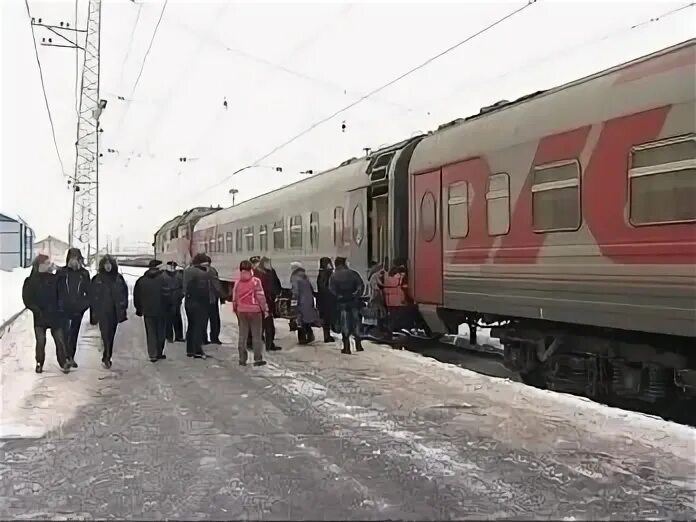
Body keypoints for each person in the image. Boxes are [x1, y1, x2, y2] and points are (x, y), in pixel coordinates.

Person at [22, 255, 71, 374]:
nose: (49, 265)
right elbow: (27, 299)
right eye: (47, 263)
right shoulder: (31, 281)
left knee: (59, 340)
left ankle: (63, 362)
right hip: (40, 317)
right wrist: (36, 310)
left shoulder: (55, 278)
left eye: (50, 263)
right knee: (40, 341)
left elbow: (63, 286)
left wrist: (60, 308)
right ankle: (39, 362)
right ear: (40, 265)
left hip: (55, 316)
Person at [89, 255, 129, 369]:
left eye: (109, 264)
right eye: (106, 264)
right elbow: (92, 297)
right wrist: (94, 313)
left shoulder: (118, 278)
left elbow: (124, 294)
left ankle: (108, 354)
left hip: (114, 311)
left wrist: (123, 308)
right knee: (105, 334)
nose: (107, 266)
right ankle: (106, 357)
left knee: (111, 334)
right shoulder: (97, 279)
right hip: (102, 312)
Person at [57, 247, 91, 368]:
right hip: (63, 308)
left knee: (74, 333)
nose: (74, 261)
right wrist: (58, 304)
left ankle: (70, 356)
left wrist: (83, 306)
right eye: (72, 258)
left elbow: (89, 292)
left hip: (78, 309)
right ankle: (65, 358)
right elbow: (56, 289)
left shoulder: (84, 274)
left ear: (80, 260)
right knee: (65, 333)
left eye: (76, 258)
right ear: (68, 259)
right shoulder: (62, 273)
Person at [232, 260, 269, 366]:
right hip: (255, 312)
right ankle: (257, 359)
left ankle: (242, 359)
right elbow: (260, 297)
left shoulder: (237, 282)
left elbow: (235, 298)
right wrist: (265, 309)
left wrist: (235, 308)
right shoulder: (256, 281)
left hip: (242, 311)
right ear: (251, 269)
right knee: (256, 336)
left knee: (242, 336)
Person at [134, 260, 171, 362]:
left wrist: (139, 309)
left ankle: (152, 354)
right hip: (162, 310)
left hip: (148, 311)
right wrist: (169, 307)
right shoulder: (164, 280)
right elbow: (168, 295)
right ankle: (159, 352)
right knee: (161, 332)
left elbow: (137, 296)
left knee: (151, 333)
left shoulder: (141, 280)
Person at [329, 256, 365, 354]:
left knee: (345, 323)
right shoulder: (353, 274)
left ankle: (346, 347)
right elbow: (360, 286)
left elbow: (332, 289)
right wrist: (356, 295)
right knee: (356, 322)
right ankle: (358, 344)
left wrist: (338, 296)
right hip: (353, 301)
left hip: (342, 303)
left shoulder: (334, 276)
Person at [183, 253, 210, 359]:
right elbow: (203, 291)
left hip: (188, 302)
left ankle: (190, 350)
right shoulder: (202, 274)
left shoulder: (187, 270)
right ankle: (198, 351)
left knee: (191, 325)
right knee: (198, 327)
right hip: (199, 304)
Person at [254, 256, 282, 351]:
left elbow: (276, 284)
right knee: (267, 325)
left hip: (268, 301)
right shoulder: (259, 274)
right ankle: (268, 344)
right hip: (263, 302)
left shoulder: (267, 272)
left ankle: (267, 343)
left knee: (267, 325)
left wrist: (277, 292)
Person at [290, 261, 320, 344]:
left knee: (299, 319)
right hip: (308, 300)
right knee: (306, 319)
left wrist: (293, 303)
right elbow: (311, 288)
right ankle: (310, 335)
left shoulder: (295, 277)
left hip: (301, 301)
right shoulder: (305, 276)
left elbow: (295, 291)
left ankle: (302, 338)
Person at [202, 255, 224, 345]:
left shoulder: (196, 270)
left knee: (203, 319)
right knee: (214, 319)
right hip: (211, 298)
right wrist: (221, 295)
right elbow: (216, 284)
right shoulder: (211, 270)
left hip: (201, 298)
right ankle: (214, 338)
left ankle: (203, 338)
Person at [162, 261, 185, 342]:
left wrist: (181, 295)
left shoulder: (180, 275)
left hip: (176, 299)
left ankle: (179, 336)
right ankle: (169, 336)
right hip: (167, 300)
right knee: (168, 318)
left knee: (177, 318)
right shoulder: (162, 275)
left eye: (173, 266)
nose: (172, 268)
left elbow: (183, 287)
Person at [316, 257, 336, 343]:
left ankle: (327, 335)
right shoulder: (326, 274)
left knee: (326, 318)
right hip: (327, 300)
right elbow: (324, 287)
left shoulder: (322, 273)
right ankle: (327, 336)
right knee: (327, 318)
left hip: (322, 299)